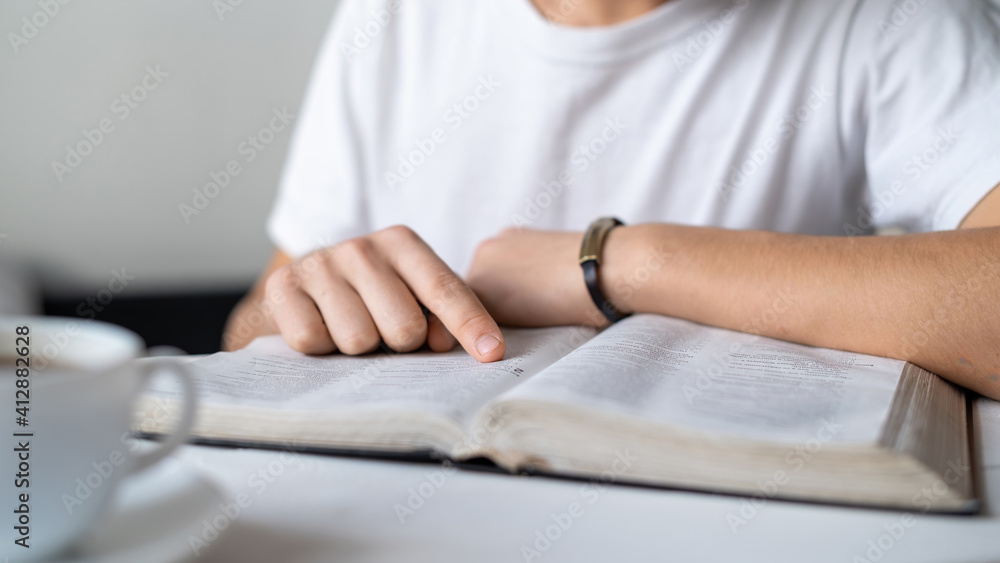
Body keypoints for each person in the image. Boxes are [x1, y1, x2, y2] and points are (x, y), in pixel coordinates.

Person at [224, 0, 1000, 401]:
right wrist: (305, 305)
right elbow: (247, 331)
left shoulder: (891, 19)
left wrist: (611, 263)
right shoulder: (395, 15)